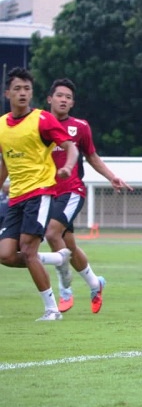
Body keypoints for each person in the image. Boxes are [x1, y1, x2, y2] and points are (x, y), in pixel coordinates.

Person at [44, 78, 133, 314]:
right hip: (47, 193)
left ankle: (65, 291)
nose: (64, 99)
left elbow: (92, 156)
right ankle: (95, 284)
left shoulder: (80, 127)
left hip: (72, 191)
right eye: (60, 95)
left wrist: (111, 176)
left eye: (69, 97)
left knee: (52, 233)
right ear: (49, 99)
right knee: (69, 246)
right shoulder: (39, 125)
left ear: (72, 103)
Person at [0, 67, 79, 321]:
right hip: (16, 197)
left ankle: (52, 310)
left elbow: (70, 146)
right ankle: (57, 258)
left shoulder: (42, 119)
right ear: (7, 93)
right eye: (18, 89)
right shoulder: (1, 125)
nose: (23, 93)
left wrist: (67, 166)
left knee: (27, 248)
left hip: (40, 192)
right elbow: (5, 161)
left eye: (27, 89)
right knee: (6, 255)